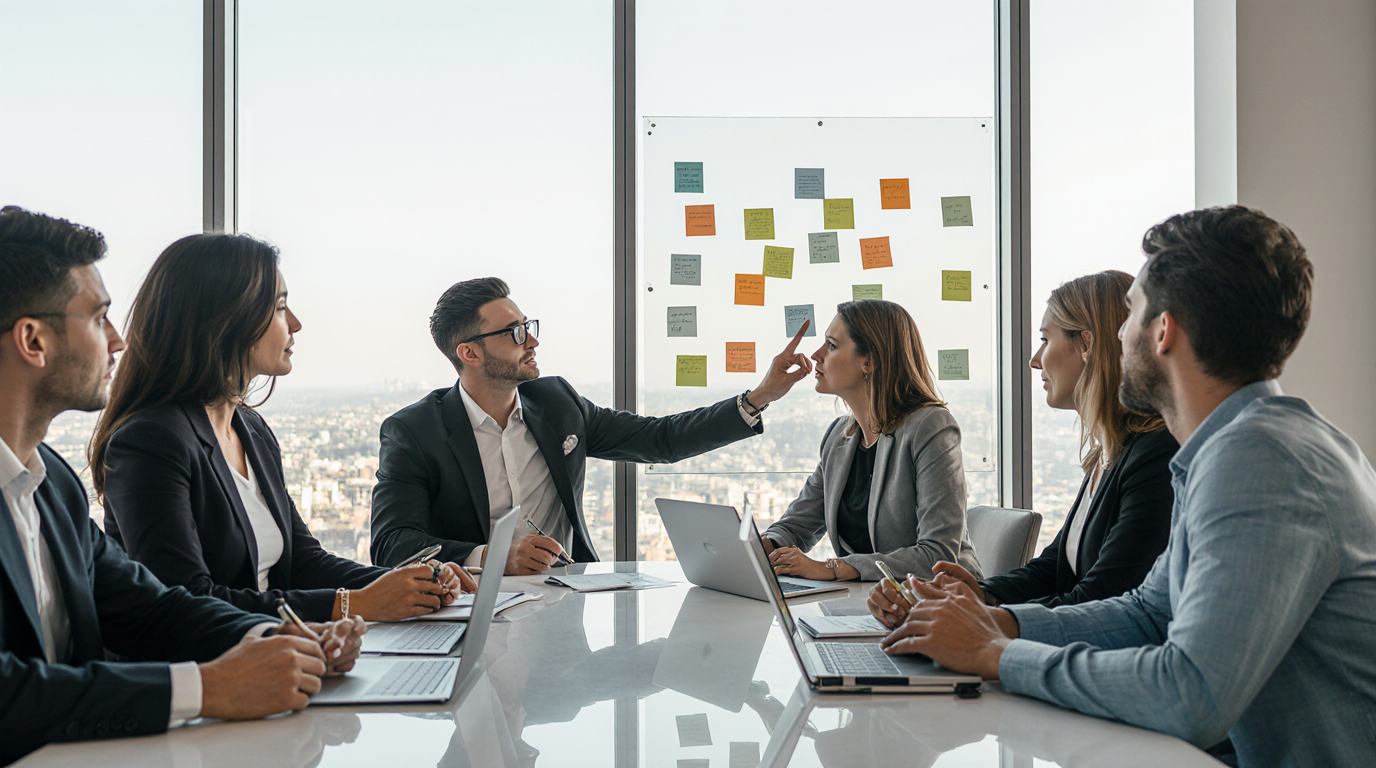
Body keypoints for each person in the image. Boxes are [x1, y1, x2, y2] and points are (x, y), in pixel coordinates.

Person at [879, 206, 1376, 766]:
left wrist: (996, 654)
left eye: (1131, 311)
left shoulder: (1262, 462)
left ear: (1165, 331)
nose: (1119, 331)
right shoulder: (1232, 448)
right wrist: (999, 622)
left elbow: (1191, 694)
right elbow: (1146, 613)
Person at [0, 206, 365, 763]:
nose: (119, 341)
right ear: (33, 340)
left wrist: (276, 641)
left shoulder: (49, 486)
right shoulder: (146, 440)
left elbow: (153, 607)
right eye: (98, 317)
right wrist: (209, 688)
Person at [91, 233, 476, 624]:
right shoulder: (151, 441)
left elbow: (304, 563)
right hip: (217, 667)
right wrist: (352, 605)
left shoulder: (251, 429)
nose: (295, 323)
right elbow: (187, 601)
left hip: (283, 651)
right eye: (279, 307)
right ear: (224, 319)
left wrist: (408, 583)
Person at [370, 277, 814, 575]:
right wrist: (492, 557)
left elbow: (659, 440)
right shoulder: (415, 431)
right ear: (469, 353)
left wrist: (759, 397)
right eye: (515, 333)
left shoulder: (557, 404)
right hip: (467, 608)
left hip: (566, 602)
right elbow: (392, 544)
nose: (533, 341)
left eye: (529, 327)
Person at [868, 272, 1176, 626]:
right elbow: (1055, 567)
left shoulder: (1154, 454)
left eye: (1045, 340)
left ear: (1087, 345)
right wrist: (978, 594)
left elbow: (1100, 598)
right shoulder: (1107, 456)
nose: (1034, 359)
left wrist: (980, 616)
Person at [759, 299, 981, 583]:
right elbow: (798, 526)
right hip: (868, 604)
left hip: (941, 603)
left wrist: (833, 568)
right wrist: (765, 545)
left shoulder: (930, 427)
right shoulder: (839, 437)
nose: (815, 355)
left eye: (831, 345)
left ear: (869, 361)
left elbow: (937, 557)